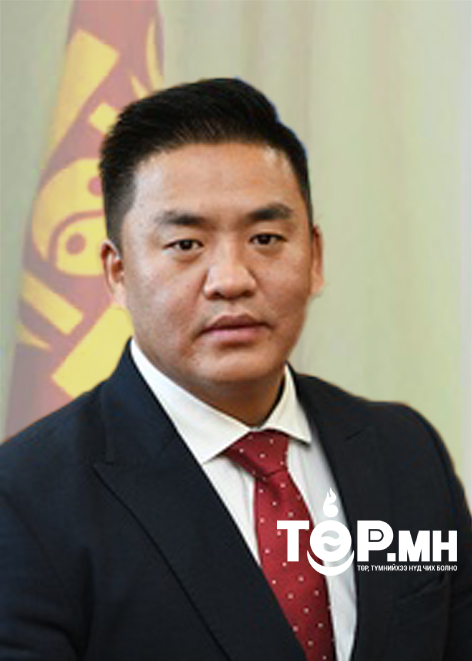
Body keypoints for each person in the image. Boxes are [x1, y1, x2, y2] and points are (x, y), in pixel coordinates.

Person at [0, 78, 471, 661]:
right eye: (186, 244)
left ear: (315, 257)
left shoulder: (406, 452)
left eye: (266, 238)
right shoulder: (25, 502)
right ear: (117, 273)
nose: (231, 279)